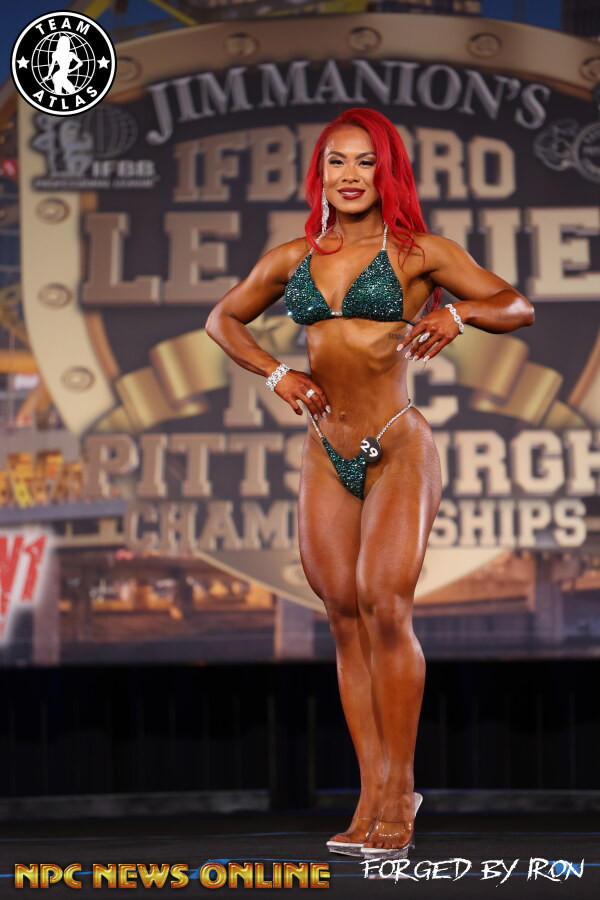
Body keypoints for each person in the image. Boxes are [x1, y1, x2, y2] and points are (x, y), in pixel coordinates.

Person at [206, 107, 534, 859]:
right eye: (336, 162)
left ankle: (400, 792)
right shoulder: (294, 257)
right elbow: (223, 320)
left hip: (397, 448)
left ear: (387, 174)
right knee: (344, 617)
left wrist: (463, 315)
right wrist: (277, 373)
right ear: (319, 174)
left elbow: (518, 305)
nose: (349, 176)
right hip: (326, 451)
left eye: (365, 162)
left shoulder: (419, 252)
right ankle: (370, 792)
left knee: (385, 606)